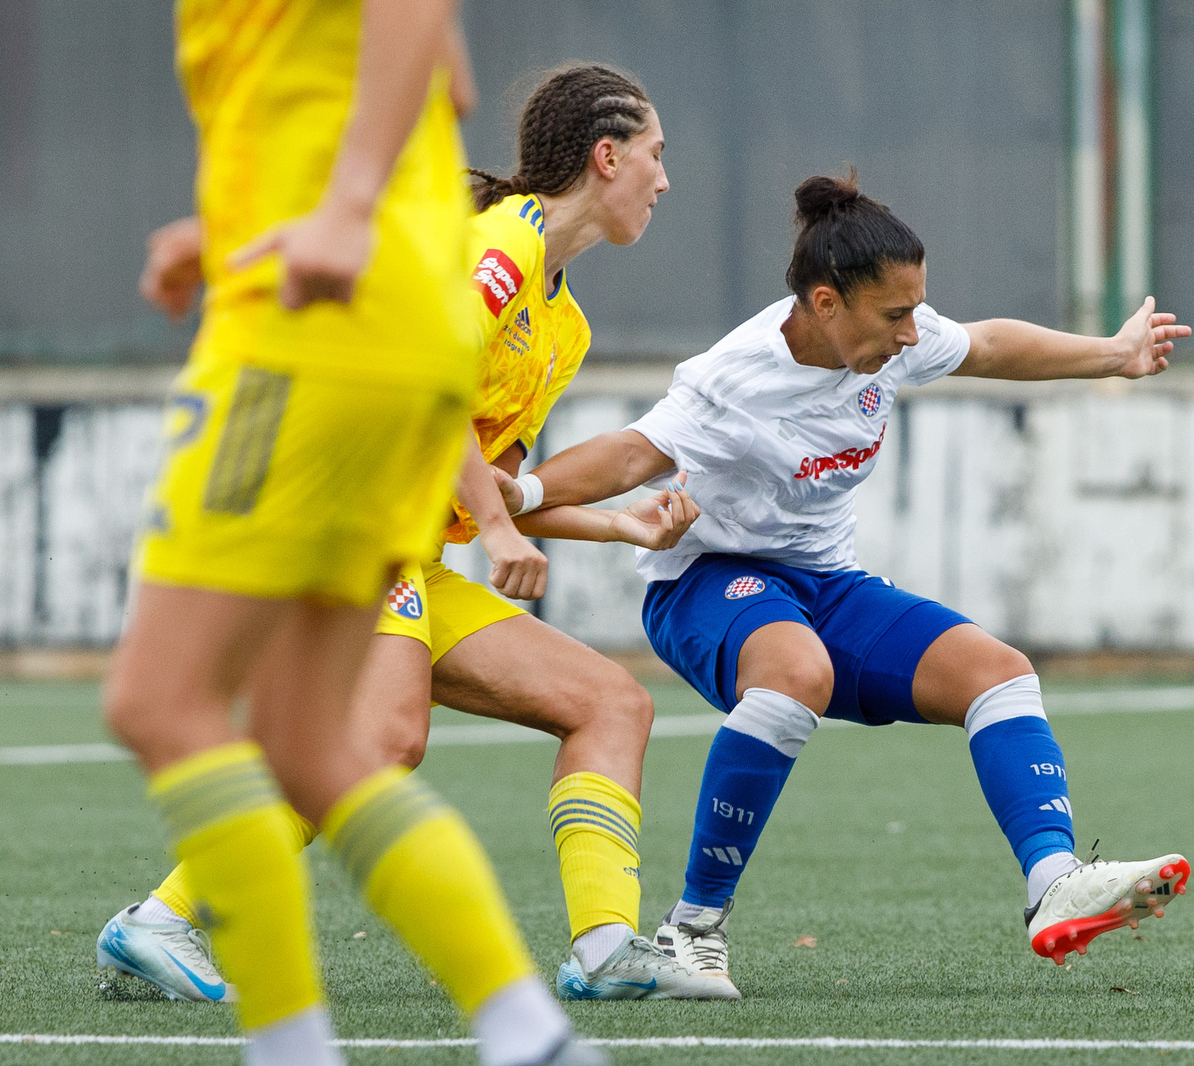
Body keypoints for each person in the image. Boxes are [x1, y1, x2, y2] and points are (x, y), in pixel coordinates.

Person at [99, 63, 736, 1005]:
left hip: (411, 550)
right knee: (383, 739)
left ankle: (606, 950)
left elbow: (494, 481)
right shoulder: (502, 248)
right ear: (607, 157)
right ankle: (161, 919)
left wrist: (618, 525)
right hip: (346, 525)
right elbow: (418, 390)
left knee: (610, 704)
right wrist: (495, 523)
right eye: (656, 154)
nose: (665, 178)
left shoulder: (563, 325)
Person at [498, 172, 1194, 996]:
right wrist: (525, 496)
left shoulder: (895, 335)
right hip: (704, 583)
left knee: (998, 675)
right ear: (826, 304)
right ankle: (691, 928)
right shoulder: (734, 380)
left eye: (916, 312)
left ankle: (1053, 884)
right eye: (896, 316)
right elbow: (627, 454)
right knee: (797, 671)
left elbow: (991, 345)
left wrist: (1113, 356)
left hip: (825, 583)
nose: (912, 333)